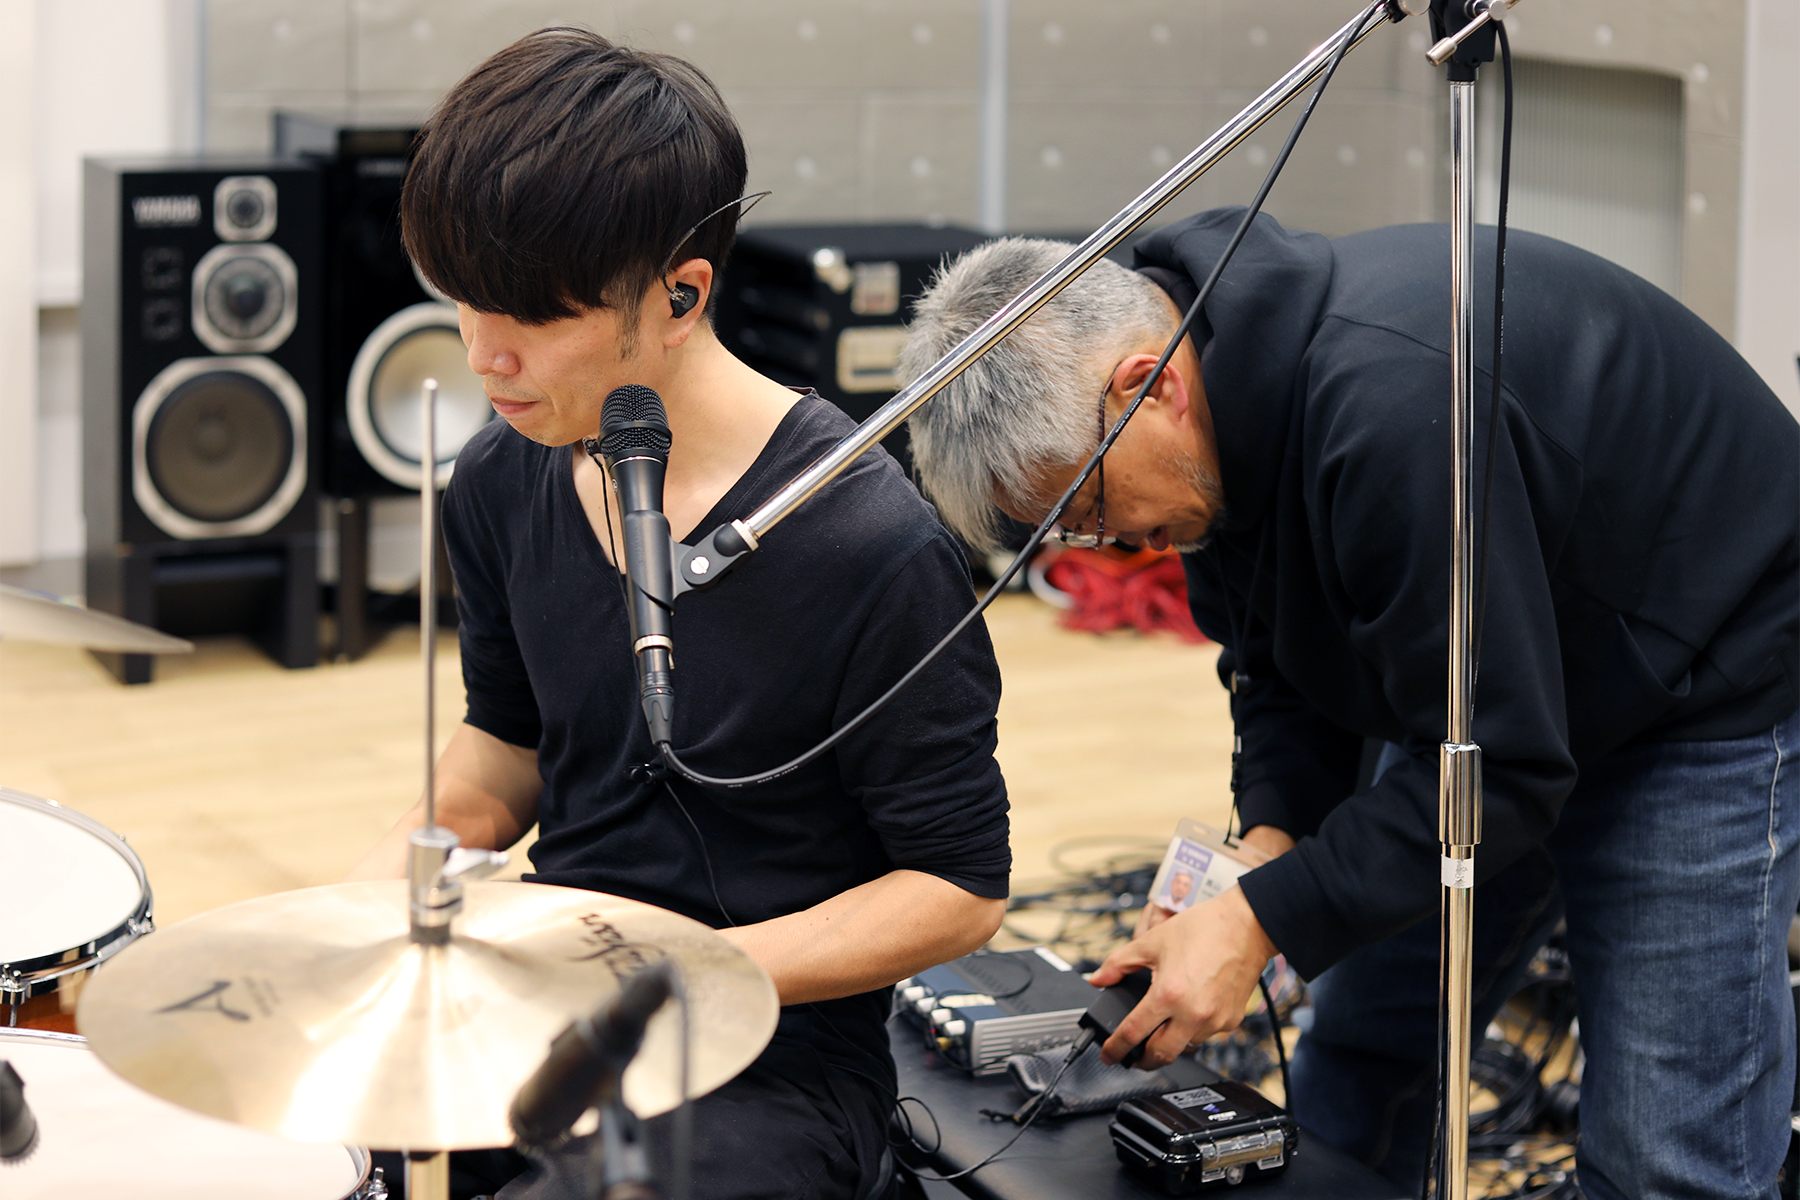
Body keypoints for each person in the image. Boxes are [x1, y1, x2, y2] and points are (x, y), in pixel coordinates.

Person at [899, 207, 1800, 1199]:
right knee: (1362, 1062)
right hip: (1496, 689)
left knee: (1662, 1161)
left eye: (1092, 511)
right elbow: (1280, 663)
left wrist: (1259, 924)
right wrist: (1270, 847)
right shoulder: (1208, 422)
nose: (1113, 545)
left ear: (1147, 386)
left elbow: (1503, 772)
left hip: (1704, 673)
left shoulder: (1389, 409)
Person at [346, 28, 1011, 1200]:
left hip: (773, 1057)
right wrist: (397, 871)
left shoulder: (872, 543)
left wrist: (687, 970)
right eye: (462, 304)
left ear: (680, 295)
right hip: (556, 994)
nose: (485, 356)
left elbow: (957, 889)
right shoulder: (500, 479)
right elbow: (509, 745)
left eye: (531, 316)